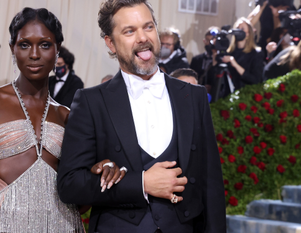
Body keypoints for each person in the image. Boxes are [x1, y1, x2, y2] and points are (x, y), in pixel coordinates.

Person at [57, 0, 226, 232]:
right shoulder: (91, 102)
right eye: (129, 31)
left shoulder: (193, 97)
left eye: (148, 27)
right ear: (111, 43)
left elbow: (211, 184)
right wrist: (141, 183)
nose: (143, 37)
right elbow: (70, 185)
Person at [0, 7, 123, 232]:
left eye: (44, 44)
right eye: (24, 44)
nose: (34, 54)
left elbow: (79, 204)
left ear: (57, 50)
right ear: (12, 48)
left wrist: (98, 173)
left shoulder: (66, 116)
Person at [207, 17, 264, 101]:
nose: (239, 31)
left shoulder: (256, 53)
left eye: (242, 29)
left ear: (248, 33)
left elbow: (256, 80)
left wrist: (235, 64)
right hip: (227, 96)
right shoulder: (229, 52)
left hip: (245, 97)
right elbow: (213, 77)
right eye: (237, 28)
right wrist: (215, 57)